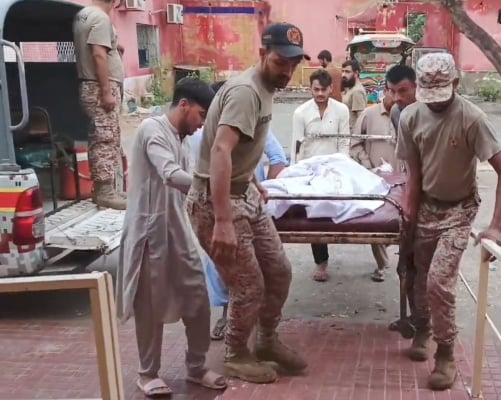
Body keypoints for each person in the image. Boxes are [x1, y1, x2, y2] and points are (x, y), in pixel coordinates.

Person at [185, 22, 309, 384]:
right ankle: (237, 353)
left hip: (245, 193)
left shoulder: (266, 88)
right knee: (248, 284)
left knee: (280, 272)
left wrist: (254, 180)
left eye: (292, 63)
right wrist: (222, 221)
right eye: (279, 62)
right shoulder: (245, 92)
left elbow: (242, 148)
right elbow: (221, 150)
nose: (287, 71)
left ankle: (267, 341)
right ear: (261, 54)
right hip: (216, 202)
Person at [395, 53, 501, 391]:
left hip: (459, 210)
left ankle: (445, 353)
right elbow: (413, 176)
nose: (435, 105)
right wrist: (408, 214)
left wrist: (496, 227)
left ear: (456, 85)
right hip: (426, 207)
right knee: (414, 277)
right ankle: (422, 329)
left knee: (438, 282)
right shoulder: (410, 117)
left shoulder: (471, 118)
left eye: (441, 96)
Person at [116, 77, 226, 397]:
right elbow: (170, 174)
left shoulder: (183, 139)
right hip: (149, 233)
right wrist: (214, 189)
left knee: (197, 298)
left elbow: (188, 185)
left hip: (178, 229)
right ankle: (147, 373)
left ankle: (196, 366)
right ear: (183, 105)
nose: (202, 122)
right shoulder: (152, 130)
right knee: (150, 307)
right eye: (201, 114)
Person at [291, 68, 350, 282]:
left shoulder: (341, 110)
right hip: (310, 170)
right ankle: (321, 261)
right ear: (310, 89)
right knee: (314, 214)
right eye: (315, 89)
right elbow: (297, 147)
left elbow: (344, 141)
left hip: (335, 167)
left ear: (331, 89)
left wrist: (342, 166)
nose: (320, 94)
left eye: (323, 90)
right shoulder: (301, 113)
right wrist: (299, 174)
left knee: (342, 211)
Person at [73, 0, 127, 209]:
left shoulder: (83, 14)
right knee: (105, 138)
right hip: (99, 87)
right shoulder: (100, 18)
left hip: (91, 85)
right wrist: (106, 92)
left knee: (104, 136)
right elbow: (98, 53)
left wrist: (115, 47)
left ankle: (106, 190)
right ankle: (105, 191)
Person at [349, 90, 399, 282]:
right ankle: (382, 265)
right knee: (377, 221)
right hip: (374, 178)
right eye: (393, 92)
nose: (396, 97)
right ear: (385, 91)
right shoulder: (369, 114)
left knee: (401, 221)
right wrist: (368, 166)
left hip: (402, 178)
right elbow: (355, 143)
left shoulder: (408, 114)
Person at [385, 64, 417, 132]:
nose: (396, 98)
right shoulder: (395, 112)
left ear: (416, 86)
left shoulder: (432, 108)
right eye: (392, 91)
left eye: (403, 91)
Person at [341, 59, 368, 130]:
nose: (343, 75)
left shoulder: (357, 91)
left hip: (353, 136)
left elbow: (361, 118)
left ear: (356, 73)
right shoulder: (351, 89)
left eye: (347, 72)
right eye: (342, 71)